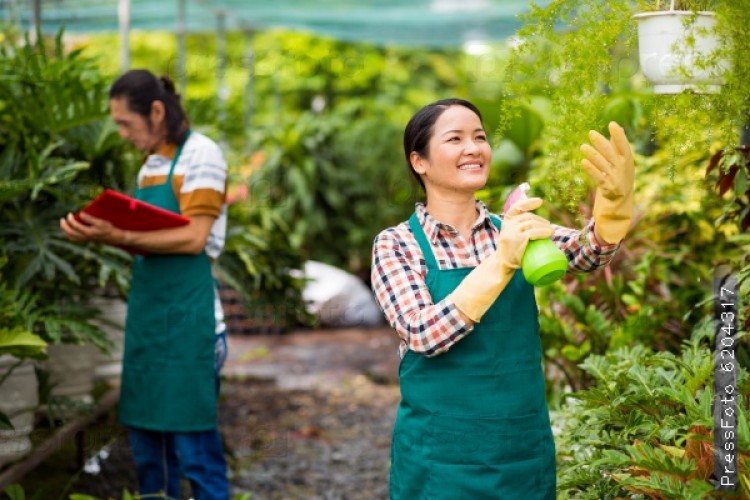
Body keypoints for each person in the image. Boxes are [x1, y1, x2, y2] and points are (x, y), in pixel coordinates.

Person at [370, 98, 634, 499]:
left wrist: (614, 209)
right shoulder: (397, 245)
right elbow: (423, 333)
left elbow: (586, 251)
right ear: (419, 161)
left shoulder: (511, 229)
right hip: (439, 460)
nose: (473, 148)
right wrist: (501, 262)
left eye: (479, 137)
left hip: (519, 452)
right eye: (455, 138)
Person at [60, 69, 230, 500]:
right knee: (149, 453)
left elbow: (193, 237)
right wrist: (96, 231)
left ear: (156, 112)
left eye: (125, 123)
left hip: (189, 325)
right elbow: (149, 242)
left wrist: (116, 235)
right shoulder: (152, 165)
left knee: (194, 449)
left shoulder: (201, 154)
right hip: (150, 322)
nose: (121, 133)